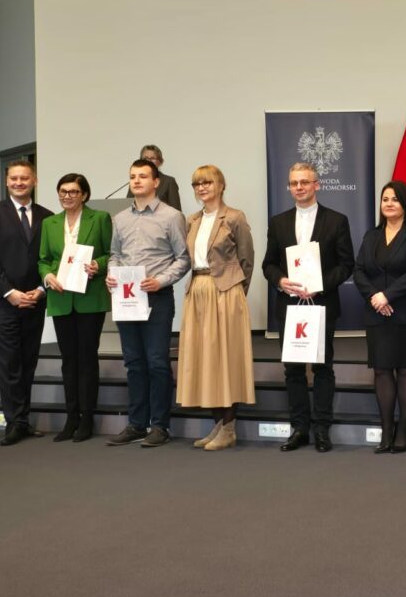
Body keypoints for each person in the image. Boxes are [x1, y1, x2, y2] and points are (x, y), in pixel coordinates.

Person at [262, 162, 354, 453]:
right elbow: (268, 264)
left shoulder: (336, 220)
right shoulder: (278, 222)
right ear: (289, 187)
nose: (299, 187)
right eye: (294, 183)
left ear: (317, 185)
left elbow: (347, 264)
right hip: (289, 306)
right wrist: (281, 281)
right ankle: (300, 428)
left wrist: (320, 285)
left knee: (323, 368)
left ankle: (322, 429)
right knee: (293, 370)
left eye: (304, 182)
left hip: (321, 303)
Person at [105, 158, 190, 447]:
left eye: (143, 176)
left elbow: (183, 259)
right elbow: (115, 255)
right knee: (133, 363)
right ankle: (136, 424)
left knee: (157, 362)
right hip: (126, 297)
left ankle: (160, 426)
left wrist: (161, 280)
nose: (137, 181)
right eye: (133, 176)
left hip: (157, 297)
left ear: (156, 182)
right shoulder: (120, 219)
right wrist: (112, 275)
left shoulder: (172, 216)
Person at [176, 165, 256, 451]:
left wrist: (235, 293)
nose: (202, 188)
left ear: (221, 185)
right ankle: (219, 426)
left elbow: (247, 259)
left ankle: (229, 428)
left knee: (226, 359)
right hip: (197, 290)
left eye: (207, 182)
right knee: (205, 359)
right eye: (197, 184)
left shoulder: (234, 217)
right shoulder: (192, 220)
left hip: (225, 293)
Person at [0, 160, 53, 446]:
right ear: (7, 181)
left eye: (25, 178)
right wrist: (10, 292)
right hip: (2, 302)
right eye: (14, 178)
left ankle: (23, 419)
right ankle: (14, 422)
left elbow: (51, 259)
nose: (19, 182)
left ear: (34, 180)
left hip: (35, 300)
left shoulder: (48, 217)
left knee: (28, 361)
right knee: (10, 362)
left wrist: (40, 290)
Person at [353, 180, 406, 454]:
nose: (389, 203)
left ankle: (403, 429)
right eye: (385, 199)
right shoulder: (371, 235)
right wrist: (375, 297)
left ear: (405, 203)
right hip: (377, 312)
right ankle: (386, 430)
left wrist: (388, 296)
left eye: (395, 199)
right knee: (382, 369)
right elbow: (359, 270)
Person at [38, 173, 112, 443]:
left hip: (89, 297)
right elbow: (43, 259)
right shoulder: (49, 223)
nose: (67, 196)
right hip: (61, 297)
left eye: (73, 191)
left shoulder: (100, 218)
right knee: (68, 360)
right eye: (63, 191)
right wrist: (47, 276)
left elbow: (111, 253)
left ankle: (87, 417)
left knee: (87, 358)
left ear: (84, 195)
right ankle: (71, 418)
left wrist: (98, 265)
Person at [126, 144, 182, 211]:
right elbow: (127, 207)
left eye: (152, 158)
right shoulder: (135, 181)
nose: (149, 161)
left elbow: (176, 211)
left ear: (161, 162)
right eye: (145, 158)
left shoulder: (169, 181)